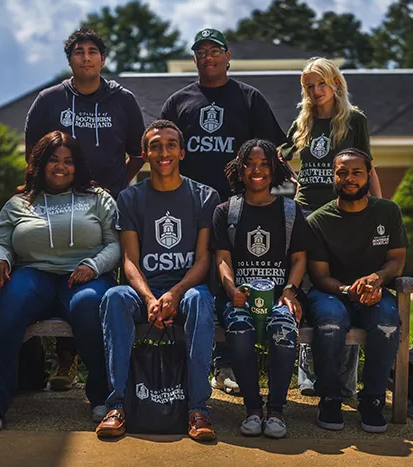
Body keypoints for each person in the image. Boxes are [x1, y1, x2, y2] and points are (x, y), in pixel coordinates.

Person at [161, 28, 287, 395]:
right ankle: (184, 359)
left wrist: (282, 194)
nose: (208, 56)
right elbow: (163, 151)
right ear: (195, 58)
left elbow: (273, 151)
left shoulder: (248, 98)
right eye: (200, 51)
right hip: (188, 209)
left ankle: (227, 362)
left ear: (228, 56)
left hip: (238, 212)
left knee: (230, 284)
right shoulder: (179, 101)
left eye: (215, 50)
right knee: (194, 283)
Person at [0, 131, 120, 432]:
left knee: (89, 305)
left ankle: (104, 398)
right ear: (40, 164)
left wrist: (93, 266)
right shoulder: (20, 202)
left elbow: (116, 243)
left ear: (77, 166)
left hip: (83, 275)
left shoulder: (98, 198)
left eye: (68, 161)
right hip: (33, 273)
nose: (61, 167)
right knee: (9, 305)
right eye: (53, 160)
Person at [24, 27, 145, 390]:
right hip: (60, 204)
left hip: (108, 204)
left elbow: (139, 153)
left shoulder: (122, 100)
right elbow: (33, 154)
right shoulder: (49, 100)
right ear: (70, 60)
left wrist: (117, 185)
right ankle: (66, 359)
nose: (87, 57)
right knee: (66, 272)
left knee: (113, 275)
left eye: (93, 51)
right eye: (79, 52)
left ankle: (118, 356)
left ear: (103, 59)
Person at [95, 120, 219, 441]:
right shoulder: (130, 198)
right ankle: (117, 405)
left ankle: (198, 410)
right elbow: (130, 262)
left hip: (186, 290)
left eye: (170, 145)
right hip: (145, 294)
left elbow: (204, 260)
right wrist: (150, 299)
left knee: (201, 300)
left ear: (182, 151)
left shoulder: (204, 196)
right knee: (114, 297)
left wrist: (176, 293)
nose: (163, 152)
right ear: (145, 153)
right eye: (155, 146)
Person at [281, 57, 383, 397]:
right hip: (306, 211)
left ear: (335, 83)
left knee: (345, 291)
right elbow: (279, 155)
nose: (314, 91)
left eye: (320, 84)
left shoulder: (353, 120)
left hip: (342, 212)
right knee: (308, 292)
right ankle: (309, 377)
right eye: (308, 86)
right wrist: (294, 180)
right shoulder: (303, 122)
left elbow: (368, 168)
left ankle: (344, 380)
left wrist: (377, 213)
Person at [305, 148, 407, 433]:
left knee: (387, 322)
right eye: (342, 172)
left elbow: (396, 259)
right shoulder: (318, 221)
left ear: (368, 174)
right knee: (330, 323)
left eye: (356, 172)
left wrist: (376, 279)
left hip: (374, 292)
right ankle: (330, 397)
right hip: (330, 293)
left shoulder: (388, 211)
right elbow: (320, 276)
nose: (349, 178)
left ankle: (372, 400)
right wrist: (350, 289)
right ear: (333, 176)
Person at [212, 139, 308, 438]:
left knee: (283, 330)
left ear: (274, 169)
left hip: (280, 296)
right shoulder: (226, 211)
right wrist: (231, 291)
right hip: (239, 299)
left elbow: (299, 258)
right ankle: (253, 409)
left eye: (263, 164)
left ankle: (276, 410)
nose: (257, 170)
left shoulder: (290, 211)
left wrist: (290, 291)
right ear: (239, 171)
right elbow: (223, 260)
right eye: (249, 165)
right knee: (239, 331)